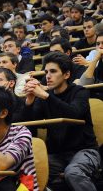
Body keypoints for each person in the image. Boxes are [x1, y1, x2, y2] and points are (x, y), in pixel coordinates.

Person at [23, 52, 100, 191]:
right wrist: (29, 102)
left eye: (53, 71)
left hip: (85, 151)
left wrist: (46, 96)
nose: (47, 76)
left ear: (67, 75)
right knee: (26, 169)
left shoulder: (79, 92)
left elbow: (74, 113)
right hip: (57, 155)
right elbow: (31, 125)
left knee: (73, 172)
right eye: (46, 72)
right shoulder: (44, 97)